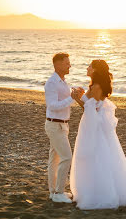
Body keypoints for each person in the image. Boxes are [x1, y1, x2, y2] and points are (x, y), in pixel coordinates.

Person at [70, 67, 126, 210]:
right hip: (88, 123)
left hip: (93, 126)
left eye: (91, 66)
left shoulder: (97, 87)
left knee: (96, 157)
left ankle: (99, 194)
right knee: (90, 157)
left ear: (96, 70)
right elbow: (90, 106)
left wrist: (76, 99)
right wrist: (80, 96)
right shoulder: (93, 86)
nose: (88, 68)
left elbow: (91, 109)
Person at [44, 52, 84, 203]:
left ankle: (54, 192)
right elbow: (52, 106)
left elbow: (65, 98)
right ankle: (58, 192)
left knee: (54, 159)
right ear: (57, 64)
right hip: (55, 124)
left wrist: (74, 93)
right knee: (66, 157)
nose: (70, 65)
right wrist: (71, 98)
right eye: (67, 63)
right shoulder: (52, 83)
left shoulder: (62, 81)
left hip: (62, 125)